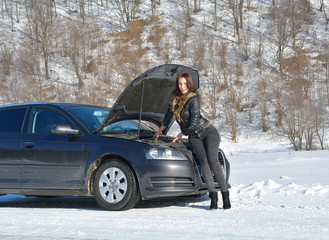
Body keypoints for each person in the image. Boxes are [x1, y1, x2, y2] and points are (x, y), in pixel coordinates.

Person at [153, 72, 231, 210]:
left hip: (208, 132)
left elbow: (194, 123)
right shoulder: (175, 100)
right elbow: (168, 117)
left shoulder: (193, 99)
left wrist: (182, 133)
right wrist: (159, 131)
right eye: (180, 83)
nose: (182, 87)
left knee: (213, 160)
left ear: (189, 84)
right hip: (194, 137)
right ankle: (213, 196)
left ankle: (225, 194)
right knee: (204, 163)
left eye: (184, 83)